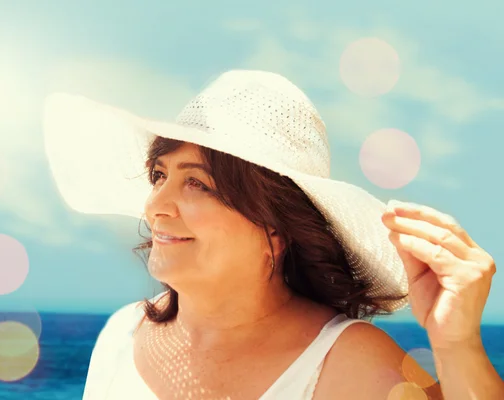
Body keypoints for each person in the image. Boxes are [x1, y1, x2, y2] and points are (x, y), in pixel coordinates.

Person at [43, 70, 502, 399]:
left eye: (197, 183)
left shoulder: (348, 364)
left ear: (275, 228)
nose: (155, 206)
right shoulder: (122, 334)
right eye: (159, 175)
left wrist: (457, 346)